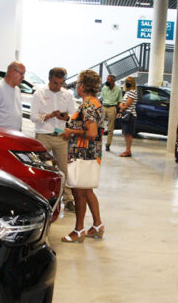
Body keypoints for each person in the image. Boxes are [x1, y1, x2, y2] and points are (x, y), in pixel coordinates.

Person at [60, 69, 104, 243]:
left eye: (79, 83)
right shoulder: (94, 102)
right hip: (90, 154)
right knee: (87, 190)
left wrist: (70, 131)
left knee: (79, 193)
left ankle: (79, 230)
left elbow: (92, 133)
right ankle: (97, 225)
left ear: (84, 86)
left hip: (83, 154)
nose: (77, 86)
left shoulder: (88, 105)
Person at [31, 67, 76, 211]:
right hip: (43, 136)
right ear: (49, 79)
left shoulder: (67, 94)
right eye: (55, 83)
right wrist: (50, 115)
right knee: (40, 168)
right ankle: (38, 197)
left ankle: (68, 199)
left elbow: (73, 115)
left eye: (61, 83)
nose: (58, 86)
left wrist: (66, 117)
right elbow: (33, 117)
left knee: (64, 169)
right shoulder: (39, 93)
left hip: (61, 137)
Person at [0, 61, 25, 131]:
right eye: (21, 74)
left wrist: (19, 130)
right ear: (12, 72)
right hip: (2, 136)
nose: (23, 77)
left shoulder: (17, 90)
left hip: (14, 135)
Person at [99, 74, 123, 152]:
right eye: (107, 79)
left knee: (110, 128)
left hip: (112, 107)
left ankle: (108, 145)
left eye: (109, 80)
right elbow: (101, 98)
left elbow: (119, 101)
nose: (107, 81)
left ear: (113, 81)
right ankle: (98, 142)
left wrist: (115, 109)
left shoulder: (118, 89)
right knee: (99, 126)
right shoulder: (104, 88)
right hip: (104, 107)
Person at [118, 77, 137, 157]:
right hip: (125, 115)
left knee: (128, 134)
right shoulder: (127, 92)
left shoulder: (132, 92)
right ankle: (127, 150)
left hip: (130, 115)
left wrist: (122, 107)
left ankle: (128, 150)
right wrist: (122, 107)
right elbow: (121, 104)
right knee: (125, 133)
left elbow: (127, 104)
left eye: (128, 82)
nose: (126, 83)